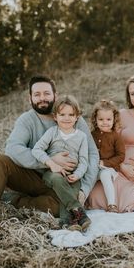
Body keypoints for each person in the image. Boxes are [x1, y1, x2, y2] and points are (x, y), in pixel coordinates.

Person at [0, 75, 99, 233]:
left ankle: (13, 200)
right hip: (31, 177)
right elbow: (13, 148)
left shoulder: (71, 118)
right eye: (37, 94)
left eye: (46, 93)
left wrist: (84, 190)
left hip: (61, 183)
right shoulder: (27, 120)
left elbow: (92, 155)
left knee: (56, 207)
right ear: (30, 98)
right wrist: (49, 161)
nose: (42, 98)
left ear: (55, 95)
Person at [88, 74, 134, 212]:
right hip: (118, 170)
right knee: (96, 196)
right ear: (129, 98)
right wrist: (122, 166)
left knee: (128, 203)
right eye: (133, 93)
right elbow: (107, 144)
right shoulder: (122, 115)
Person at [32, 94, 90, 231]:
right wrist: (51, 163)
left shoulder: (82, 136)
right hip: (52, 173)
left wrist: (78, 175)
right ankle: (80, 213)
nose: (66, 118)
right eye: (62, 114)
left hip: (72, 175)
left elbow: (84, 161)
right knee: (58, 180)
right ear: (55, 117)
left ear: (77, 117)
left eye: (71, 114)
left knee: (70, 191)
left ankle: (68, 222)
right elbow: (36, 150)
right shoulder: (52, 132)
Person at [90, 100, 125, 212]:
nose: (105, 122)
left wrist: (105, 163)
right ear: (95, 120)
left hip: (110, 168)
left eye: (108, 119)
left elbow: (121, 156)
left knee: (105, 175)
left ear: (114, 119)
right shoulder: (92, 134)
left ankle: (112, 205)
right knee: (86, 177)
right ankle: (80, 202)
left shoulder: (116, 137)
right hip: (95, 167)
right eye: (101, 119)